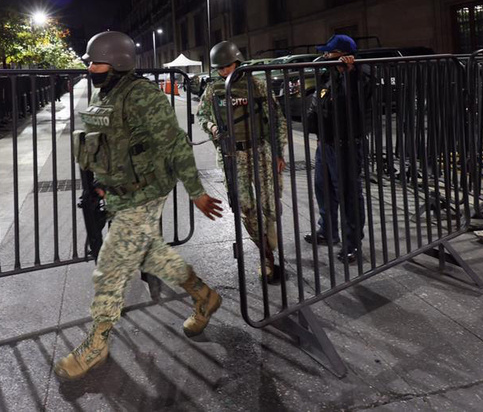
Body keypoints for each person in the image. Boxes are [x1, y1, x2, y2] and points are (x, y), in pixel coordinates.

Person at [55, 31, 224, 381]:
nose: (90, 67)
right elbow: (109, 147)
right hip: (120, 194)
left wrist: (196, 191)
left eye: (96, 61)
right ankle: (204, 296)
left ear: (117, 63)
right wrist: (104, 185)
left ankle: (97, 342)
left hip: (144, 194)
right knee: (150, 255)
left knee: (111, 267)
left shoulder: (142, 96)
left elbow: (176, 144)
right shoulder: (108, 95)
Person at [197, 41, 288, 282]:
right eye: (220, 68)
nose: (224, 72)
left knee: (269, 206)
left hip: (260, 151)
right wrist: (212, 126)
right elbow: (202, 116)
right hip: (231, 155)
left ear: (238, 62)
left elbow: (276, 119)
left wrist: (279, 153)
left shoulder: (255, 85)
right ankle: (266, 255)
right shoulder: (213, 89)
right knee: (245, 207)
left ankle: (269, 243)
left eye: (227, 66)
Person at [303, 34, 366, 264]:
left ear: (344, 55)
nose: (325, 56)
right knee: (324, 189)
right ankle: (328, 231)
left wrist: (350, 74)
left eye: (330, 53)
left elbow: (355, 104)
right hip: (326, 145)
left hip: (347, 146)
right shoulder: (329, 77)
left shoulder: (359, 77)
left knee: (349, 194)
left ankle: (353, 245)